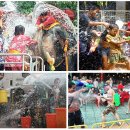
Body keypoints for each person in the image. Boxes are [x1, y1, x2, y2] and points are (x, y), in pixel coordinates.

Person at [79, 4, 109, 70]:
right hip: (81, 40)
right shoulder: (83, 16)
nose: (97, 14)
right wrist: (103, 23)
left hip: (90, 40)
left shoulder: (95, 19)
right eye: (96, 11)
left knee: (97, 51)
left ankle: (98, 68)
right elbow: (89, 23)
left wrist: (96, 33)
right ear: (91, 10)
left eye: (98, 12)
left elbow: (92, 30)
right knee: (83, 54)